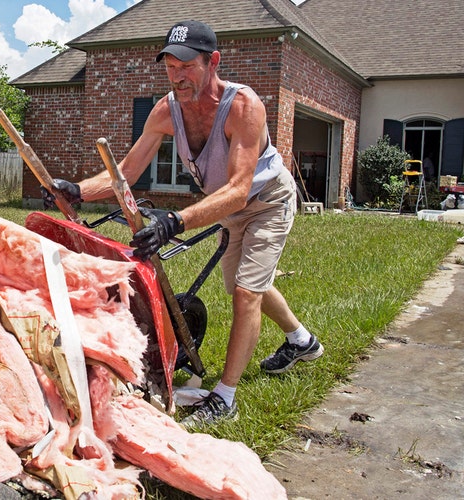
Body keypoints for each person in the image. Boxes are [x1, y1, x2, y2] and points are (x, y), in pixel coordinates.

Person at [43, 20, 323, 426]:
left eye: (187, 65)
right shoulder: (166, 110)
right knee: (246, 284)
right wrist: (79, 191)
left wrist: (175, 221)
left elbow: (240, 188)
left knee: (246, 292)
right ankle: (301, 340)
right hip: (227, 207)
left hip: (267, 202)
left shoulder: (244, 107)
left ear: (213, 62)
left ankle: (225, 398)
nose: (178, 76)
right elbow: (126, 171)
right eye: (171, 67)